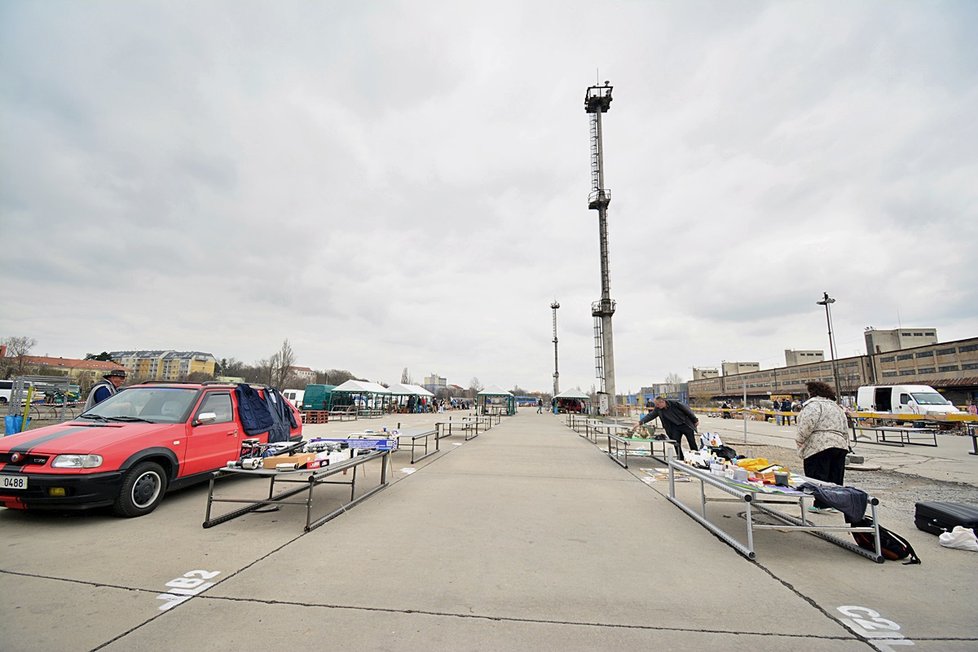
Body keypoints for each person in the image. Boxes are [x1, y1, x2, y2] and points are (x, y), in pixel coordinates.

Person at [795, 381, 849, 514]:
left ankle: (821, 504)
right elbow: (845, 428)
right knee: (835, 476)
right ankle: (835, 503)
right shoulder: (837, 408)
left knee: (818, 477)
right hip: (840, 444)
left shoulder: (814, 405)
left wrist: (800, 440)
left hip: (819, 445)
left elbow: (807, 424)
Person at [635, 396, 699, 461]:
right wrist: (640, 422)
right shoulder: (658, 409)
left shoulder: (675, 403)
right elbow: (650, 416)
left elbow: (687, 410)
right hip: (674, 427)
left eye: (657, 404)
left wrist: (695, 420)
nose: (656, 406)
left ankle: (696, 458)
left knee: (691, 441)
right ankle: (680, 458)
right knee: (676, 442)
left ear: (662, 402)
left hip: (685, 424)